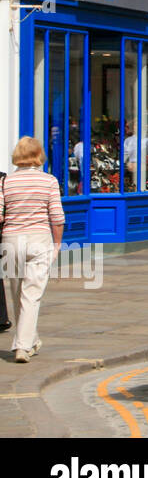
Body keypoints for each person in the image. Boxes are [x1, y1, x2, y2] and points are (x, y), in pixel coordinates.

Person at [0, 137, 64, 363]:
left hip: (11, 239)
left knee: (18, 295)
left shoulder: (6, 182)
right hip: (38, 239)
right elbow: (56, 217)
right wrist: (57, 244)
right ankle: (22, 346)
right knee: (31, 295)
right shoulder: (49, 181)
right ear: (39, 154)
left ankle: (31, 340)